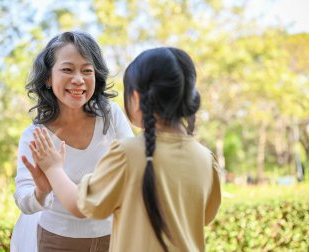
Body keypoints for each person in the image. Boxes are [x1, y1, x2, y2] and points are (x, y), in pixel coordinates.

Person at [25, 47, 221, 251]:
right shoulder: (206, 159)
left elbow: (80, 205)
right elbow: (204, 216)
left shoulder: (127, 154)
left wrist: (53, 168)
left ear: (136, 99)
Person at [11, 31, 133, 252]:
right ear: (48, 77)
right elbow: (22, 197)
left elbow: (134, 168)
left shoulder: (110, 116)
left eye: (87, 70)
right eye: (67, 69)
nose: (78, 79)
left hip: (114, 238)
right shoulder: (35, 135)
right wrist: (41, 192)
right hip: (57, 240)